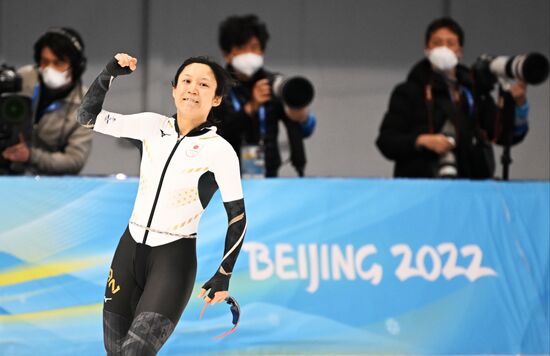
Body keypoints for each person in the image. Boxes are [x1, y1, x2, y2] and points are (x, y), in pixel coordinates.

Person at [77, 53, 247, 355]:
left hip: (173, 261)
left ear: (217, 99)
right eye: (187, 81)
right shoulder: (150, 126)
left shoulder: (220, 152)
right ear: (174, 89)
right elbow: (87, 117)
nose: (193, 89)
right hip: (128, 252)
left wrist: (224, 274)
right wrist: (108, 73)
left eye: (204, 84)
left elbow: (237, 216)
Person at [376, 17, 529, 179]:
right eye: (437, 43)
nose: (444, 48)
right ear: (427, 50)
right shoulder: (408, 91)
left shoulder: (475, 91)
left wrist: (519, 106)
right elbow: (386, 141)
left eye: (450, 43)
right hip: (421, 186)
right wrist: (420, 140)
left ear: (460, 51)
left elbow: (503, 136)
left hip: (472, 187)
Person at [215, 14, 316, 177]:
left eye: (254, 48)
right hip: (226, 176)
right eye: (242, 48)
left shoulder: (273, 84)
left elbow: (306, 129)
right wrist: (251, 107)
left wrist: (301, 116)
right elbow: (220, 131)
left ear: (262, 51)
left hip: (268, 175)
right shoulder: (216, 87)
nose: (250, 54)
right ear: (227, 54)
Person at [1, 27, 92, 175]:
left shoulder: (87, 104)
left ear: (76, 67)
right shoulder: (24, 78)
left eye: (58, 62)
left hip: (50, 184)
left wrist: (31, 156)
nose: (49, 69)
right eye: (45, 61)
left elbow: (74, 160)